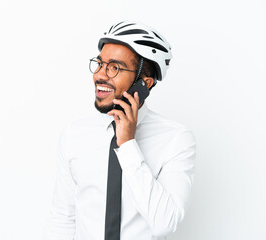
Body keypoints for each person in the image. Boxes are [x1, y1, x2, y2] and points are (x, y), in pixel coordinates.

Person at [44, 21, 196, 240]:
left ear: (145, 83)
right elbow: (62, 219)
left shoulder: (176, 139)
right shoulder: (74, 135)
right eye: (99, 63)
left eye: (114, 67)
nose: (99, 75)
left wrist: (127, 144)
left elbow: (165, 222)